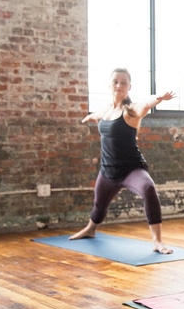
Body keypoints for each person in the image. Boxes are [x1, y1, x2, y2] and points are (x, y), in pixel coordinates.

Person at [69, 68, 176, 255]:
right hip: (107, 171)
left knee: (148, 189)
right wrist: (88, 117)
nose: (119, 85)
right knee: (99, 204)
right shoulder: (106, 109)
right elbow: (97, 115)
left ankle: (157, 241)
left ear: (129, 87)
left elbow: (145, 103)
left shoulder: (131, 110)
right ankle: (90, 229)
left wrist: (158, 97)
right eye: (116, 82)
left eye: (124, 82)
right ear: (110, 85)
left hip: (131, 169)